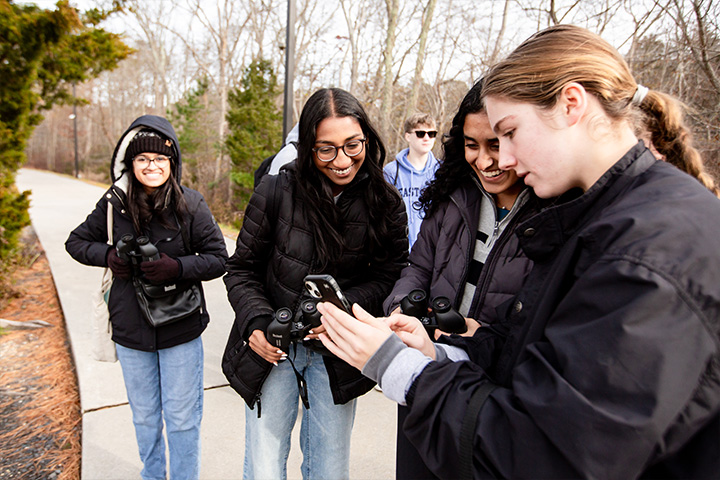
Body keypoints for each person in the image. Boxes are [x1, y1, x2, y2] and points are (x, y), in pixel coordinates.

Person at [316, 24, 720, 479]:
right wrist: (437, 350)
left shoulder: (652, 244)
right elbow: (537, 357)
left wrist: (394, 364)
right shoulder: (604, 218)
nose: (502, 159)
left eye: (509, 132)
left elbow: (546, 449)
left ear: (571, 104)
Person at [222, 87, 408, 480]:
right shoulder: (276, 190)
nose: (342, 160)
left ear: (366, 139)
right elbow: (240, 269)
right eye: (327, 149)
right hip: (274, 347)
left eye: (352, 145)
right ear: (307, 147)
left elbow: (390, 274)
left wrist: (343, 308)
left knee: (329, 469)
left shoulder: (384, 201)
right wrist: (256, 322)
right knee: (264, 466)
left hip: (339, 354)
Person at [384, 79, 545, 479]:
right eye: (473, 146)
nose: (485, 161)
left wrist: (484, 334)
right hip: (427, 367)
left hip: (494, 383)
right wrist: (402, 309)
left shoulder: (551, 208)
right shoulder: (452, 196)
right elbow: (418, 266)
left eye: (496, 144)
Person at [66, 115, 228, 480]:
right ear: (130, 164)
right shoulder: (113, 204)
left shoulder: (191, 204)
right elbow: (75, 242)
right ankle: (152, 475)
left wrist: (178, 267)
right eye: (142, 159)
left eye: (160, 159)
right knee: (144, 416)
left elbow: (219, 258)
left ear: (172, 163)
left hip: (179, 327)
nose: (151, 166)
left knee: (182, 418)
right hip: (131, 328)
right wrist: (108, 256)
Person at [384, 113, 441, 250]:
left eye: (431, 133)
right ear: (408, 136)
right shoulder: (391, 172)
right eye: (421, 133)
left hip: (433, 251)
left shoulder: (442, 171)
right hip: (401, 251)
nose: (427, 138)